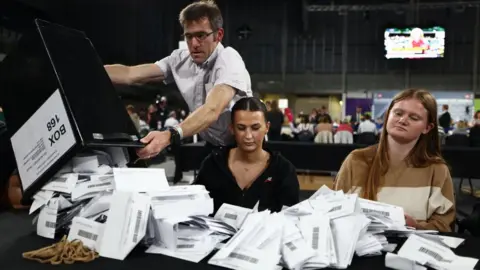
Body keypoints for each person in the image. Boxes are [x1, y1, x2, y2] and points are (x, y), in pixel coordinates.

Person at [104, 0, 252, 159]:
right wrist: (85, 67)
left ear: (219, 35)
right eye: (189, 36)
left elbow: (212, 109)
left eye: (201, 35)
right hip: (214, 148)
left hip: (245, 150)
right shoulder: (180, 59)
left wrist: (170, 135)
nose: (194, 44)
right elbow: (130, 74)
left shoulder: (229, 59)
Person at [334, 89, 455, 232]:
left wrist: (416, 227)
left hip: (411, 250)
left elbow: (445, 224)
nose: (403, 120)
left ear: (427, 128)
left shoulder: (437, 170)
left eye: (414, 118)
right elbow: (335, 212)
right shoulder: (356, 160)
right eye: (398, 113)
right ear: (388, 116)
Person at [193, 97, 299, 213]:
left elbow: (290, 219)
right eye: (241, 128)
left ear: (267, 127)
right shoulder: (213, 164)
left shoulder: (283, 170)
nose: (248, 136)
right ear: (232, 128)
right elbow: (195, 208)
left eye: (255, 128)